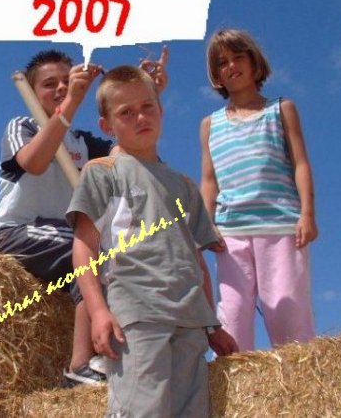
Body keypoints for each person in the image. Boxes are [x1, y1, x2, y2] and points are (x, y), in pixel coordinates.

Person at [0, 49, 168, 387]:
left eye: (66, 81)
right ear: (32, 91)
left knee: (121, 252)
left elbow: (133, 153)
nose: (60, 88)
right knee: (85, 249)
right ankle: (79, 364)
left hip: (65, 235)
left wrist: (145, 96)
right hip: (17, 233)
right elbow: (34, 163)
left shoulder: (85, 143)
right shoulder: (22, 126)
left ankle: (128, 351)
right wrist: (70, 102)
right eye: (49, 84)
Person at [67, 66, 237, 417]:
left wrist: (213, 324)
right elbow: (83, 248)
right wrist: (98, 311)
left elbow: (196, 259)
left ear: (160, 110)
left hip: (190, 321)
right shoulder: (102, 172)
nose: (140, 117)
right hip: (137, 316)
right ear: (107, 125)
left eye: (147, 107)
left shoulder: (185, 186)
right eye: (126, 112)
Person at [200, 28, 317, 351]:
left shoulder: (281, 109)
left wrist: (307, 214)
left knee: (287, 311)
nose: (231, 66)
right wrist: (205, 224)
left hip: (280, 226)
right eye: (222, 62)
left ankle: (298, 377)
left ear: (254, 63)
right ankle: (237, 381)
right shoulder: (210, 124)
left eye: (238, 57)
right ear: (216, 75)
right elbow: (209, 180)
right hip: (231, 234)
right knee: (233, 315)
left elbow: (300, 164)